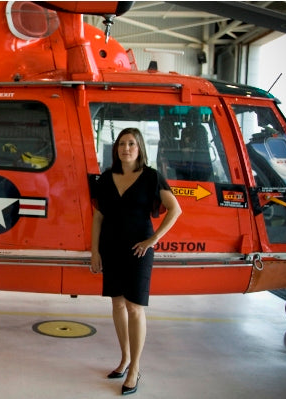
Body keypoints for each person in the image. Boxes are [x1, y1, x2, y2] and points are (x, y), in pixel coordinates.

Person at [90, 128, 181, 395]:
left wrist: (153, 240)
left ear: (140, 148)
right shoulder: (106, 178)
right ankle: (124, 359)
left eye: (131, 144)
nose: (126, 148)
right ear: (115, 148)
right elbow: (98, 217)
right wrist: (94, 252)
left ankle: (135, 368)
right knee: (117, 304)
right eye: (121, 144)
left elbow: (175, 209)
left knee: (134, 308)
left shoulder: (152, 177)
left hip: (139, 250)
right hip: (110, 248)